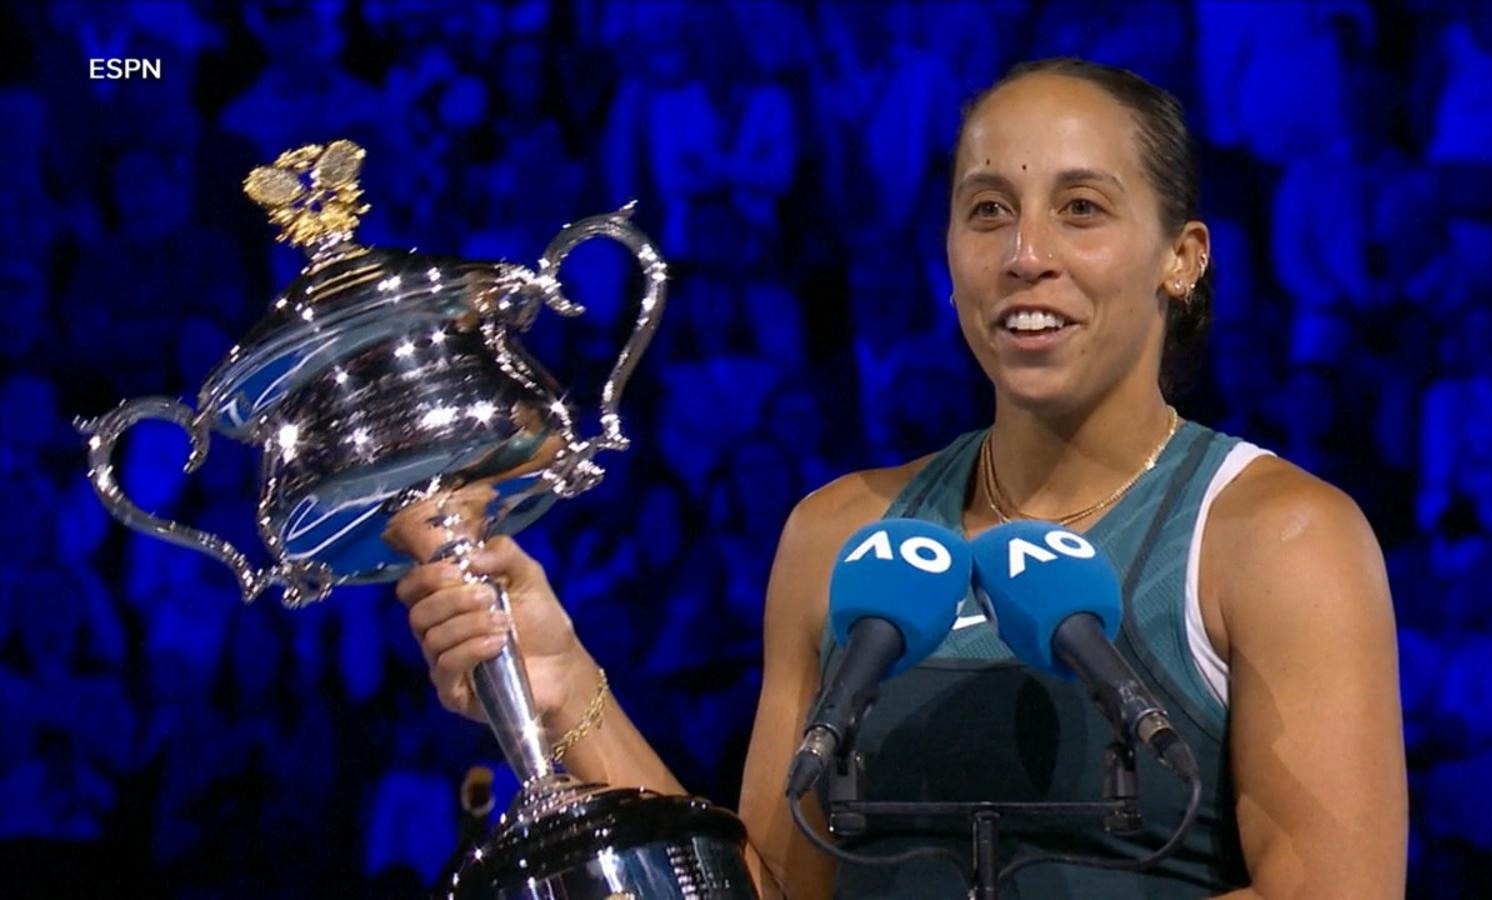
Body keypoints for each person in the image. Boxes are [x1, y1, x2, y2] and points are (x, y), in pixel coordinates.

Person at [395, 58, 1407, 898]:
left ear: (1180, 259)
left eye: (1082, 209)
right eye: (986, 211)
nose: (1024, 255)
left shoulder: (1278, 537)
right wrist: (569, 680)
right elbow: (771, 893)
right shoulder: (835, 535)